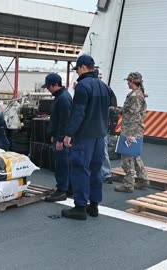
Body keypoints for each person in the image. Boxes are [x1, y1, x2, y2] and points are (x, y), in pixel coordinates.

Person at [62, 55, 112, 220]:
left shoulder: (83, 86)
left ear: (83, 67)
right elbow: (111, 109)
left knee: (80, 169)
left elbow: (78, 113)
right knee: (96, 170)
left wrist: (69, 133)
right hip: (100, 135)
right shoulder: (104, 86)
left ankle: (80, 207)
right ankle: (94, 205)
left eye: (77, 69)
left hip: (85, 136)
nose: (77, 72)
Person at [114, 72, 149, 192]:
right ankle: (142, 179)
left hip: (131, 130)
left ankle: (128, 184)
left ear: (132, 81)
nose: (127, 83)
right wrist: (116, 110)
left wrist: (129, 134)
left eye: (128, 81)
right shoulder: (139, 94)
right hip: (136, 130)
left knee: (127, 158)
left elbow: (134, 116)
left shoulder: (134, 96)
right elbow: (130, 111)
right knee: (134, 155)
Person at [40, 73, 73, 202]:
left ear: (55, 85)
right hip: (60, 136)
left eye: (49, 86)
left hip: (62, 139)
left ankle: (61, 190)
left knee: (61, 165)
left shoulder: (63, 99)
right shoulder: (62, 97)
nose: (48, 89)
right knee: (65, 164)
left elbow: (65, 121)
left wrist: (59, 139)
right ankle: (69, 188)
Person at [94, 68, 118, 184]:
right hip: (100, 125)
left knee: (102, 150)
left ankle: (106, 174)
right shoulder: (106, 89)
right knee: (101, 150)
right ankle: (104, 173)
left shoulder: (105, 90)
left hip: (101, 125)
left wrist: (112, 126)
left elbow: (113, 110)